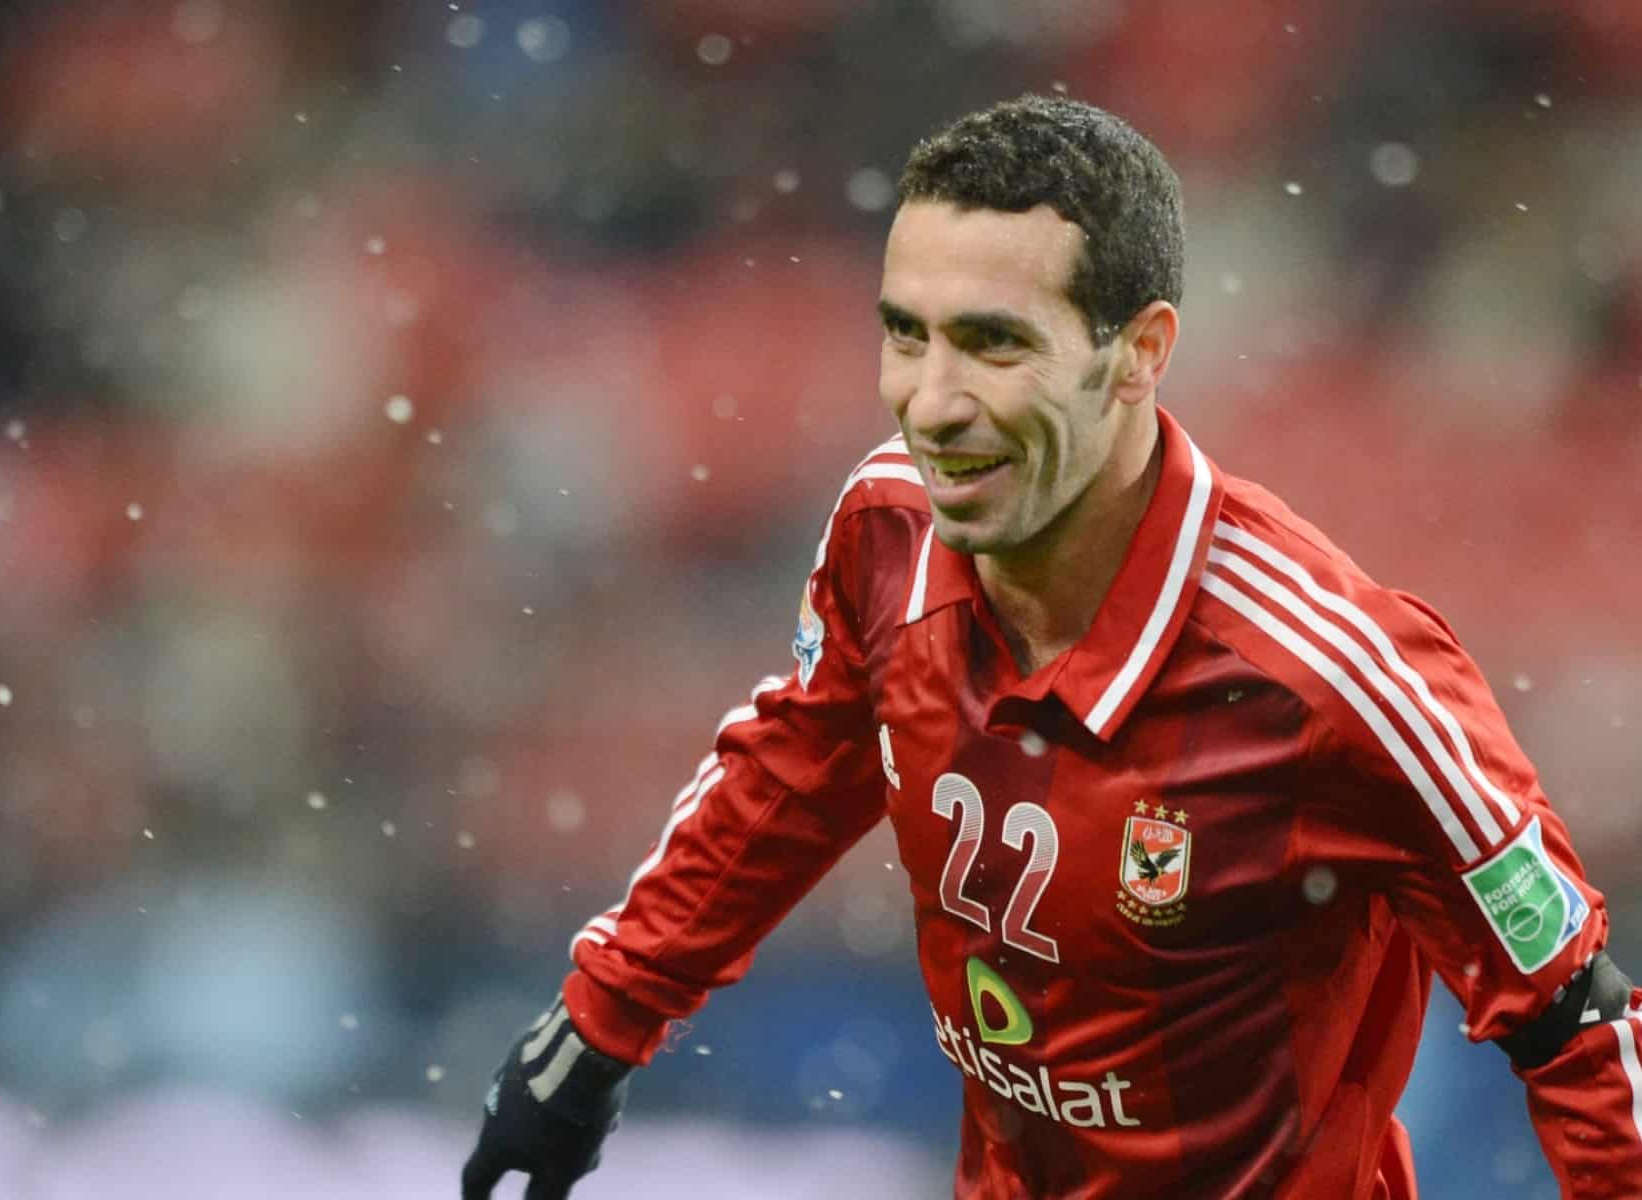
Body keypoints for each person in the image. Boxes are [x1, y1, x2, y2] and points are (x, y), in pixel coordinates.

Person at [460, 95, 1642, 1199]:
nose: (931, 402)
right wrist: (601, 1024)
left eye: (992, 344)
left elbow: (1580, 1025)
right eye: (907, 335)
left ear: (1138, 353)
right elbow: (796, 768)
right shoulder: (890, 532)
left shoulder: (1333, 680)